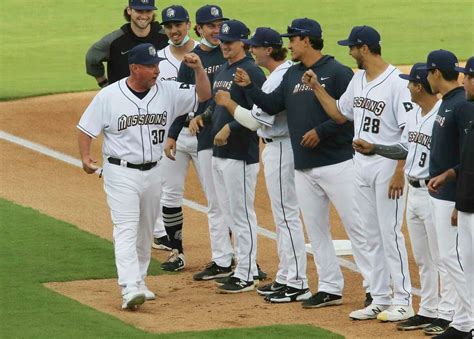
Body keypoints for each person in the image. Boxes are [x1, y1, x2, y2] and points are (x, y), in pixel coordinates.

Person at [233, 18, 372, 308]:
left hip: (338, 162)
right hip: (304, 166)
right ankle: (330, 287)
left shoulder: (337, 73)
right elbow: (271, 105)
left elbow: (349, 117)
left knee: (357, 226)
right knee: (316, 229)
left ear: (307, 41)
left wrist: (321, 132)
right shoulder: (292, 74)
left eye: (293, 40)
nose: (289, 45)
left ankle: (376, 287)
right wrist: (249, 88)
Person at [77, 43, 211, 310]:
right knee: (126, 228)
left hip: (154, 170)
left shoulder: (168, 90)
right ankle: (128, 287)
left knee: (146, 230)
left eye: (157, 65)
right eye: (150, 66)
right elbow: (85, 128)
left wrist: (198, 70)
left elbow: (204, 95)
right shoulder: (109, 96)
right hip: (120, 172)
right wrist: (85, 157)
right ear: (134, 68)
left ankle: (139, 281)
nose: (156, 71)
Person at [301, 25, 414, 321]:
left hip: (387, 166)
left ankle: (403, 300)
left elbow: (407, 135)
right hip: (360, 164)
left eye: (351, 47)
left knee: (390, 233)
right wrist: (316, 87)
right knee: (369, 235)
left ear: (364, 48)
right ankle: (380, 297)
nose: (348, 51)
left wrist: (399, 171)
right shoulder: (358, 79)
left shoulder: (397, 83)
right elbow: (340, 113)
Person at [351, 63, 455, 332]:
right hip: (414, 193)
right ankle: (429, 309)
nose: (407, 86)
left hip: (434, 193)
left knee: (442, 256)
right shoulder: (414, 115)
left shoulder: (441, 116)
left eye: (410, 82)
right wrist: (375, 147)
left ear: (420, 86)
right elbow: (405, 148)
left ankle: (448, 313)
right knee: (423, 257)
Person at [214, 27, 310, 303]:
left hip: (281, 147)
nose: (251, 50)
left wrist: (230, 104)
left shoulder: (280, 76)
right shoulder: (280, 74)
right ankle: (285, 277)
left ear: (269, 50)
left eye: (254, 46)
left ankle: (297, 282)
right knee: (283, 217)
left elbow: (256, 121)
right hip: (277, 146)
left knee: (286, 216)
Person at [193, 19, 266, 293]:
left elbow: (261, 114)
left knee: (242, 214)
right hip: (220, 152)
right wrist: (204, 116)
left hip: (241, 154)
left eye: (230, 42)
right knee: (229, 213)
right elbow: (214, 102)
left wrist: (230, 126)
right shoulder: (225, 68)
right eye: (222, 41)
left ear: (243, 44)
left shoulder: (252, 72)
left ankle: (247, 273)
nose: (224, 46)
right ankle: (242, 267)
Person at [167, 5, 235, 281]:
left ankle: (237, 259)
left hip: (230, 135)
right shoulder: (192, 61)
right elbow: (183, 105)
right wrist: (172, 134)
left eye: (219, 25)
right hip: (204, 138)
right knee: (218, 201)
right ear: (199, 29)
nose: (216, 30)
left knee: (230, 201)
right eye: (211, 26)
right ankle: (224, 258)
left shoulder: (232, 53)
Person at [425, 54, 474, 339]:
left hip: (460, 200)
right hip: (457, 196)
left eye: (467, 76)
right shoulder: (457, 103)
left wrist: (457, 199)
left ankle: (466, 321)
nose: (464, 80)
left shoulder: (462, 107)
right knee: (455, 260)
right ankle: (463, 322)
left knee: (457, 260)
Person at [151, 5, 200, 271]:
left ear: (189, 24)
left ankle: (226, 256)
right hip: (172, 137)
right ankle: (176, 252)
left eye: (178, 25)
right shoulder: (158, 59)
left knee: (218, 197)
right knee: (169, 194)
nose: (174, 30)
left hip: (205, 135)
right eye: (169, 27)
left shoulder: (206, 52)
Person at [85, 0, 168, 88]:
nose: (144, 16)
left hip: (159, 96)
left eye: (148, 11)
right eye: (139, 11)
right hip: (122, 98)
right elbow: (92, 57)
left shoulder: (166, 37)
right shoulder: (115, 41)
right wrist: (104, 84)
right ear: (129, 10)